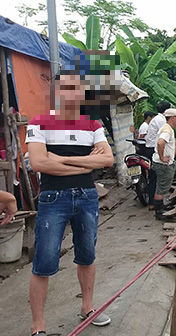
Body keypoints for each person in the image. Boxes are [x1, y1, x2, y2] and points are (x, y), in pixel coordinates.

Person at [26, 71, 116, 335]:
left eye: (75, 88)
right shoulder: (39, 123)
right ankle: (38, 326)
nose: (70, 93)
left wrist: (62, 160)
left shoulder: (93, 125)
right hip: (53, 198)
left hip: (87, 196)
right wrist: (86, 162)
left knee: (87, 255)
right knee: (43, 261)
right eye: (63, 88)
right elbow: (40, 163)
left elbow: (107, 160)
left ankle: (87, 308)